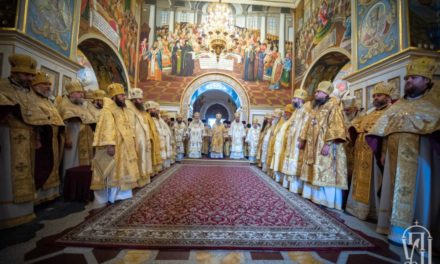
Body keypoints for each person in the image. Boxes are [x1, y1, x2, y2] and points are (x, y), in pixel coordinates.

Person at [366, 57, 440, 249]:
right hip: (393, 157)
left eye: (414, 78)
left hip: (421, 155)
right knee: (393, 189)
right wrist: (382, 151)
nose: (408, 81)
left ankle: (418, 232)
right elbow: (383, 131)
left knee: (421, 192)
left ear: (426, 81)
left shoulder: (434, 103)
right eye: (407, 78)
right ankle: (395, 230)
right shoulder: (398, 105)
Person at [0, 54, 38, 228]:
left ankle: (26, 210)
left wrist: (37, 136)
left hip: (28, 136)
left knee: (26, 171)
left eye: (31, 76)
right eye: (26, 75)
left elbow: (36, 116)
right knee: (7, 174)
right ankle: (7, 213)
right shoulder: (2, 87)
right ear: (15, 72)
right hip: (7, 136)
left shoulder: (30, 92)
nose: (30, 78)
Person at [345, 82, 392, 221]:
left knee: (374, 180)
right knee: (359, 179)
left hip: (374, 153)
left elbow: (387, 134)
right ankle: (357, 208)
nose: (376, 98)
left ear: (388, 97)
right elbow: (357, 126)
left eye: (379, 95)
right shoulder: (371, 113)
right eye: (375, 96)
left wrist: (384, 151)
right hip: (361, 153)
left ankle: (373, 212)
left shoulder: (390, 112)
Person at [299, 81, 348, 210]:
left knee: (326, 170)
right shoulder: (316, 107)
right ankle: (315, 196)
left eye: (318, 92)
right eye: (316, 91)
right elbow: (308, 124)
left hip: (326, 145)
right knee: (315, 169)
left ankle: (327, 200)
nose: (316, 94)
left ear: (326, 93)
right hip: (313, 144)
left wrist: (328, 144)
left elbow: (336, 126)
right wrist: (303, 139)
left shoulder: (334, 105)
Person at [91, 83, 139, 204]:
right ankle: (112, 195)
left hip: (124, 147)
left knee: (122, 169)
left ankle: (122, 194)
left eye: (124, 95)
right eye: (121, 95)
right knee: (112, 170)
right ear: (114, 97)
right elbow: (107, 128)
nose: (124, 97)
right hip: (115, 145)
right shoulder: (107, 110)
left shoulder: (122, 110)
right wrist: (110, 144)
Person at [31, 71, 65, 204]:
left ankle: (51, 194)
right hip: (41, 139)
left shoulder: (48, 101)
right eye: (44, 84)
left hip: (53, 139)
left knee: (53, 163)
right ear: (35, 84)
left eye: (49, 84)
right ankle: (38, 196)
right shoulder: (31, 98)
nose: (48, 87)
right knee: (41, 166)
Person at [56, 79, 95, 177]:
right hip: (73, 139)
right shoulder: (64, 106)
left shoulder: (83, 106)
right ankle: (68, 184)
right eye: (78, 92)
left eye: (82, 92)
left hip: (86, 140)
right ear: (71, 94)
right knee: (71, 161)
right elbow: (62, 123)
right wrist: (67, 138)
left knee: (85, 164)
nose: (82, 95)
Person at [281, 89, 311, 194]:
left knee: (297, 161)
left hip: (298, 140)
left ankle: (297, 187)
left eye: (294, 98)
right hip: (292, 141)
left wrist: (302, 139)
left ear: (300, 99)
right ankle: (291, 185)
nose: (293, 100)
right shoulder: (297, 111)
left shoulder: (306, 110)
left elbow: (306, 126)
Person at [126, 88, 153, 186]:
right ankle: (138, 180)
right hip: (136, 138)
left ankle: (144, 178)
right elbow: (130, 125)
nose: (142, 101)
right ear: (133, 100)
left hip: (143, 137)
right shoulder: (129, 109)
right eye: (140, 100)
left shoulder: (140, 110)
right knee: (139, 158)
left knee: (144, 157)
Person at [270, 104, 294, 185]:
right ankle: (277, 177)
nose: (285, 114)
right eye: (285, 112)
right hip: (278, 146)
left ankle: (280, 178)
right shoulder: (284, 122)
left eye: (287, 112)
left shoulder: (290, 122)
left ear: (291, 113)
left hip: (283, 147)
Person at [144, 101, 164, 175]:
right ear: (149, 110)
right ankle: (151, 172)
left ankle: (154, 171)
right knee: (150, 157)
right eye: (153, 109)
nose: (155, 111)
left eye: (155, 110)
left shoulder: (154, 118)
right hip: (150, 139)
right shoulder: (146, 117)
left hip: (155, 139)